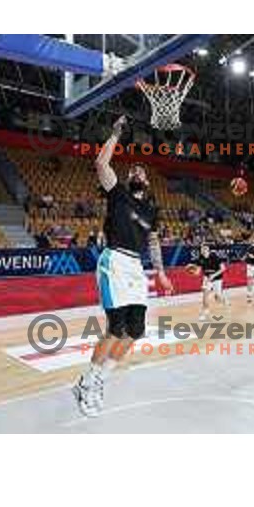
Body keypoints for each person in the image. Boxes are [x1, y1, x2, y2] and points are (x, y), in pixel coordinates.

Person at [72, 116, 173, 417]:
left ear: (148, 180)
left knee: (137, 329)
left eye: (141, 169)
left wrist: (162, 273)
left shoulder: (152, 210)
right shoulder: (118, 193)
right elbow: (102, 165)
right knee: (115, 329)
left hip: (136, 270)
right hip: (113, 261)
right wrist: (115, 134)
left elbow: (153, 243)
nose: (136, 170)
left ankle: (98, 379)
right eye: (133, 169)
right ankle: (87, 384)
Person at [186, 243, 227, 320]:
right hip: (207, 278)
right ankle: (205, 311)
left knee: (218, 297)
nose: (203, 250)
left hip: (217, 278)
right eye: (202, 249)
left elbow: (223, 268)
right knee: (205, 294)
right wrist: (192, 272)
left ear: (208, 250)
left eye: (205, 249)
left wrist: (213, 275)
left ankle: (223, 299)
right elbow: (198, 272)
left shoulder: (215, 257)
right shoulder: (200, 258)